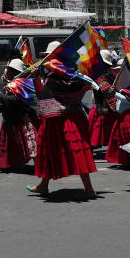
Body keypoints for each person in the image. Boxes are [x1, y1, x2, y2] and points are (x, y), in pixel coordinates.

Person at [26, 52, 97, 199]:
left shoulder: (52, 79)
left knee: (59, 151)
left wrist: (36, 78)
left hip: (57, 121)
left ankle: (88, 189)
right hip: (74, 118)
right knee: (72, 152)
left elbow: (42, 97)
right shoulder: (77, 77)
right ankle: (43, 185)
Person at [0, 58, 39, 169]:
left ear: (15, 72)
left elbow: (16, 100)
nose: (8, 72)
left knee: (30, 141)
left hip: (20, 117)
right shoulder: (13, 83)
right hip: (10, 117)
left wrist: (1, 96)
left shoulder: (20, 84)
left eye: (10, 70)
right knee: (6, 141)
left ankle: (39, 163)